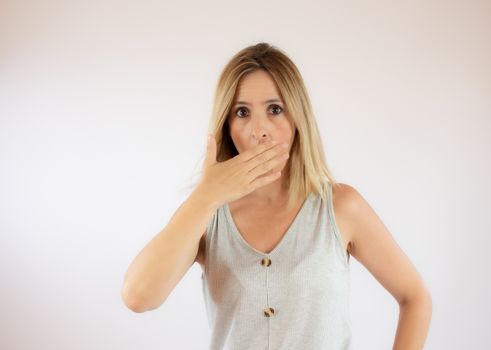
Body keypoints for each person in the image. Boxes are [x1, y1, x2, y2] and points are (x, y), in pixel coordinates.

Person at [121, 42, 432, 349]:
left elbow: (414, 297)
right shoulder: (207, 214)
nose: (260, 130)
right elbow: (138, 297)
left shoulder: (340, 207)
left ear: (298, 118)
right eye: (242, 112)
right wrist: (205, 196)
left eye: (275, 109)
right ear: (227, 125)